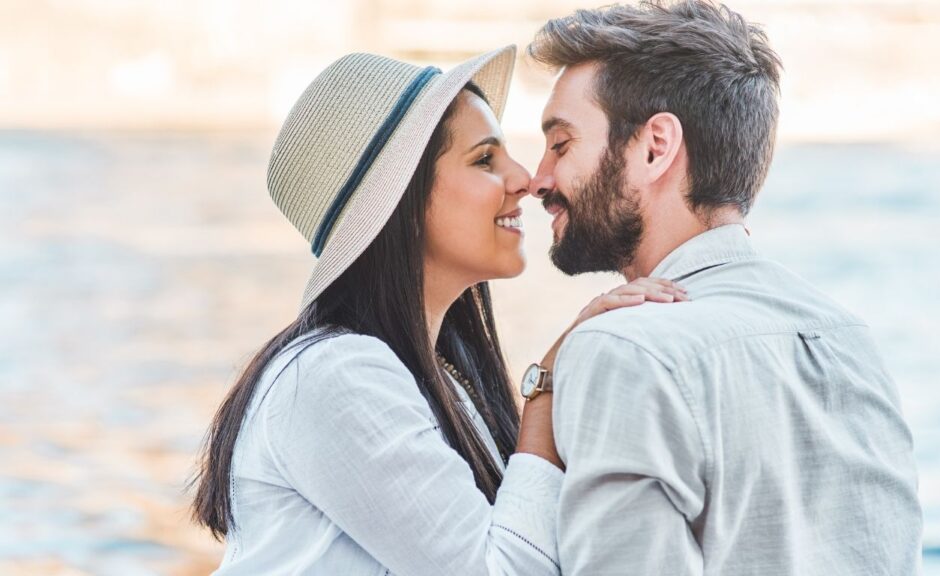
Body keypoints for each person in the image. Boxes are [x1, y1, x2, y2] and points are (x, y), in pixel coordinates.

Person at [189, 45, 685, 575]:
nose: (525, 178)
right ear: (403, 199)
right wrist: (545, 388)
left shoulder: (436, 375)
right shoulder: (336, 376)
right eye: (484, 159)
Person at [526, 1, 924, 574]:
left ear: (655, 147)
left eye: (561, 144)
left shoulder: (623, 350)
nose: (539, 179)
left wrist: (543, 388)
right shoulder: (849, 339)